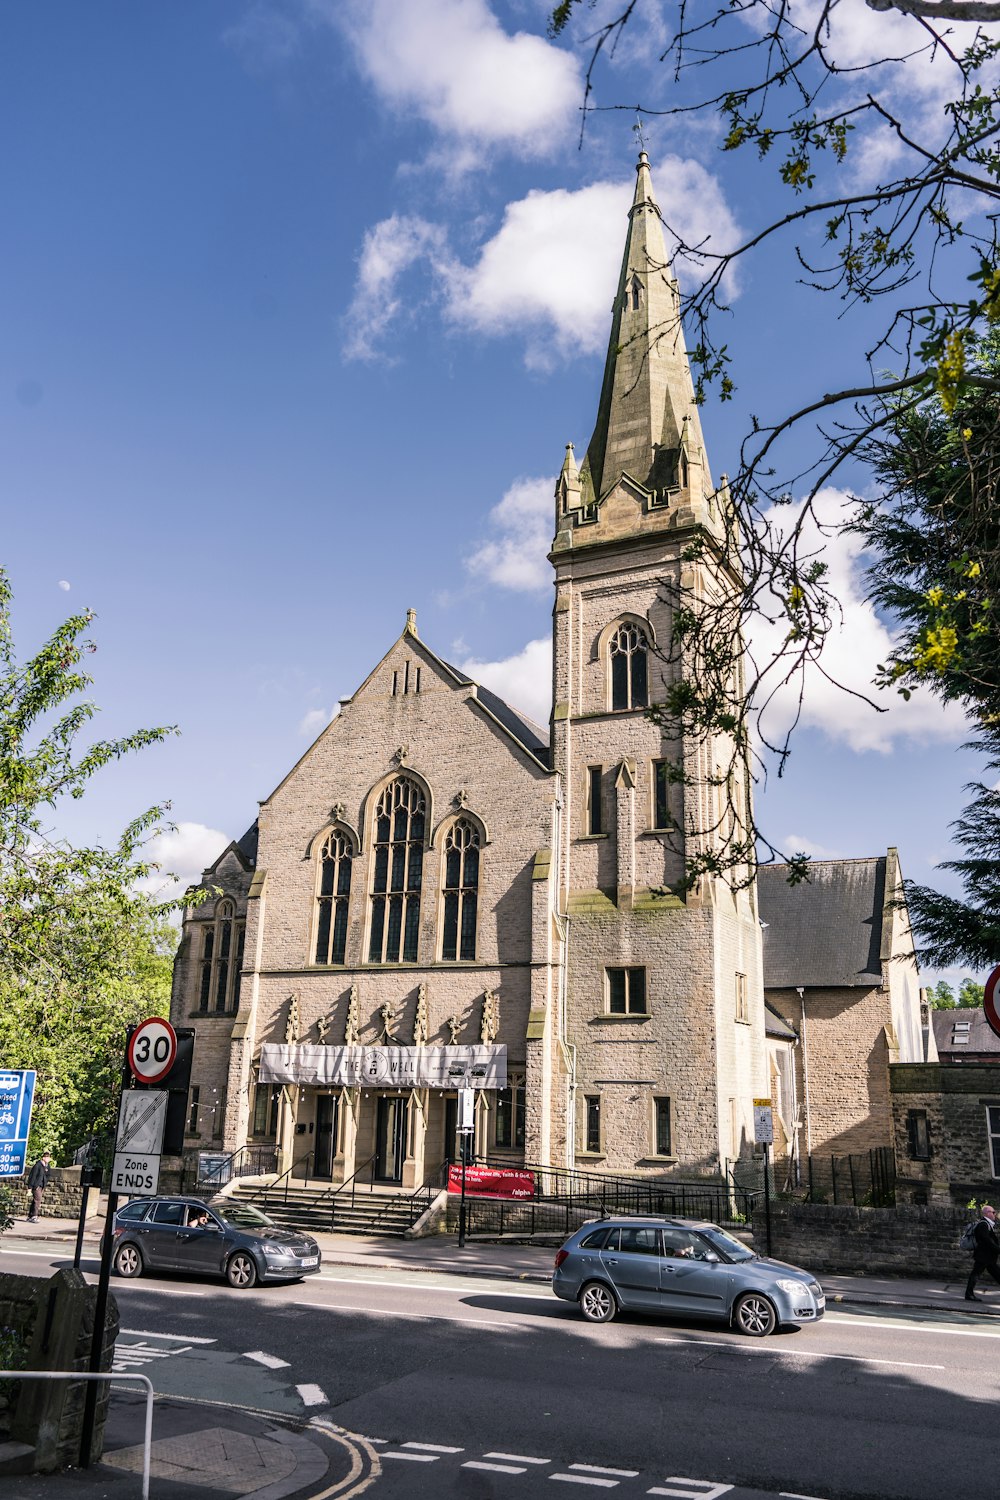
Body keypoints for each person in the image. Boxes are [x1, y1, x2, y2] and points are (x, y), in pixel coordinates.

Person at [965, 1204, 1000, 1300]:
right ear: (987, 1213)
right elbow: (986, 1240)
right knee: (976, 1274)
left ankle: (969, 1294)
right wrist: (997, 1249)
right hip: (983, 1256)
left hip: (988, 1257)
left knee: (997, 1274)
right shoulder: (983, 1224)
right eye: (993, 1212)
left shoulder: (986, 1224)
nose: (994, 1214)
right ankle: (969, 1294)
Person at [26, 1151, 52, 1223]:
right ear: (43, 1158)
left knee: (35, 1201)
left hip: (42, 1186)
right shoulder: (38, 1165)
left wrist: (45, 1182)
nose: (48, 1159)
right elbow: (32, 1176)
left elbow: (48, 1175)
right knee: (38, 1200)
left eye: (49, 1157)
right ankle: (34, 1216)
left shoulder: (47, 1166)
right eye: (47, 1157)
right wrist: (30, 1187)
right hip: (36, 1186)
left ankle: (30, 1216)